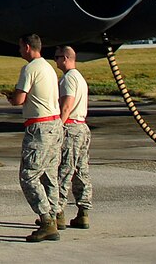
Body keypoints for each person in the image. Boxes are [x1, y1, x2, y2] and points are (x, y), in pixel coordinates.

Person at [7, 33, 63, 241]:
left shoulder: (29, 69)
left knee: (29, 176)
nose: (20, 51)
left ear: (28, 47)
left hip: (39, 127)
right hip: (55, 124)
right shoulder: (48, 67)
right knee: (49, 173)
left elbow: (20, 98)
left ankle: (46, 220)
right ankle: (56, 214)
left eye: (21, 47)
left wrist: (13, 98)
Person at [56, 46, 92, 229]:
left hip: (70, 127)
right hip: (82, 126)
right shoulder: (79, 77)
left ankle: (58, 213)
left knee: (63, 171)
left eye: (57, 57)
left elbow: (66, 106)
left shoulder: (69, 79)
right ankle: (83, 211)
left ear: (66, 58)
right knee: (81, 171)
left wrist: (58, 127)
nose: (55, 61)